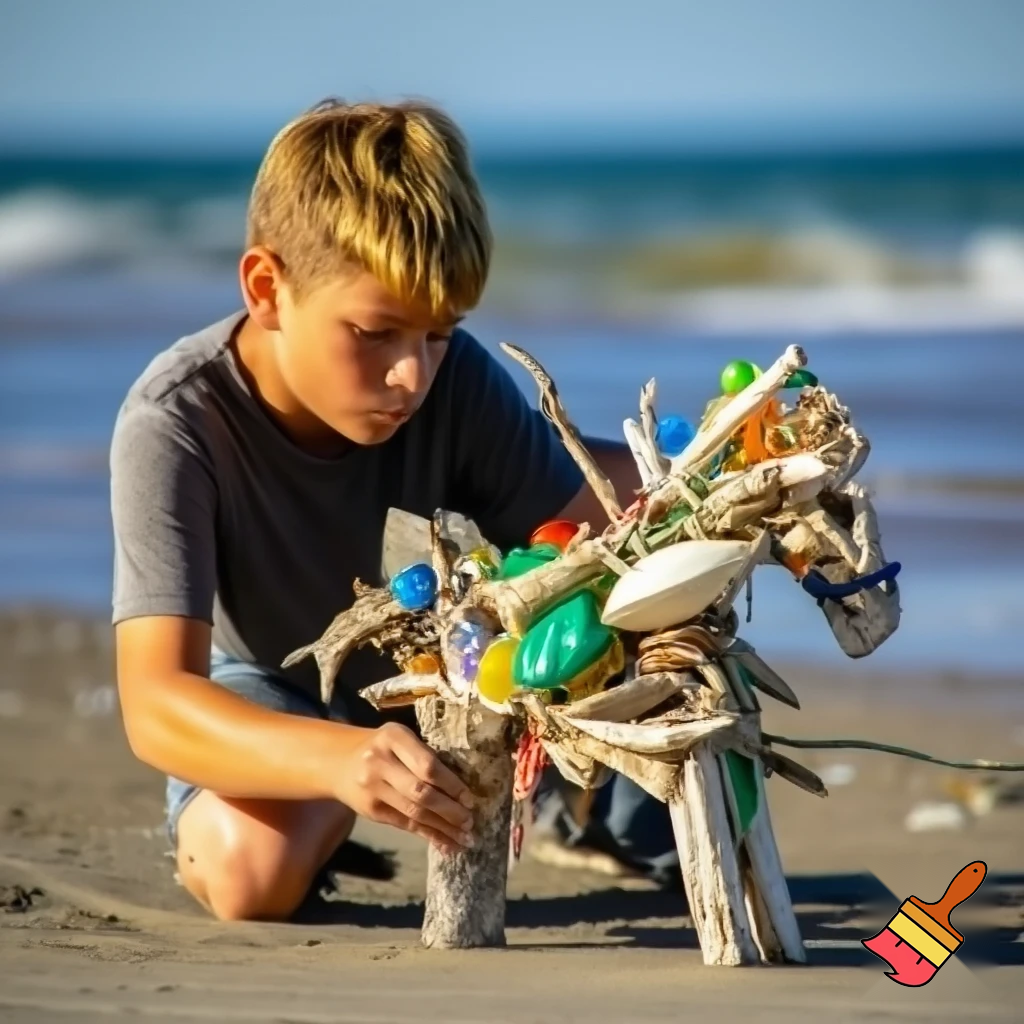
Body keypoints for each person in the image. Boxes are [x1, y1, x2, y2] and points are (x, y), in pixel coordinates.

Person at [110, 98, 675, 923]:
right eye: (375, 332)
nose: (412, 375)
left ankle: (561, 807)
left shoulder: (458, 380)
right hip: (273, 686)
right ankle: (330, 812)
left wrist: (719, 485)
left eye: (439, 333)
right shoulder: (178, 422)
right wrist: (339, 762)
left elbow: (593, 525)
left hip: (467, 669)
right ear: (268, 288)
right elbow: (157, 702)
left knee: (674, 828)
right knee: (246, 875)